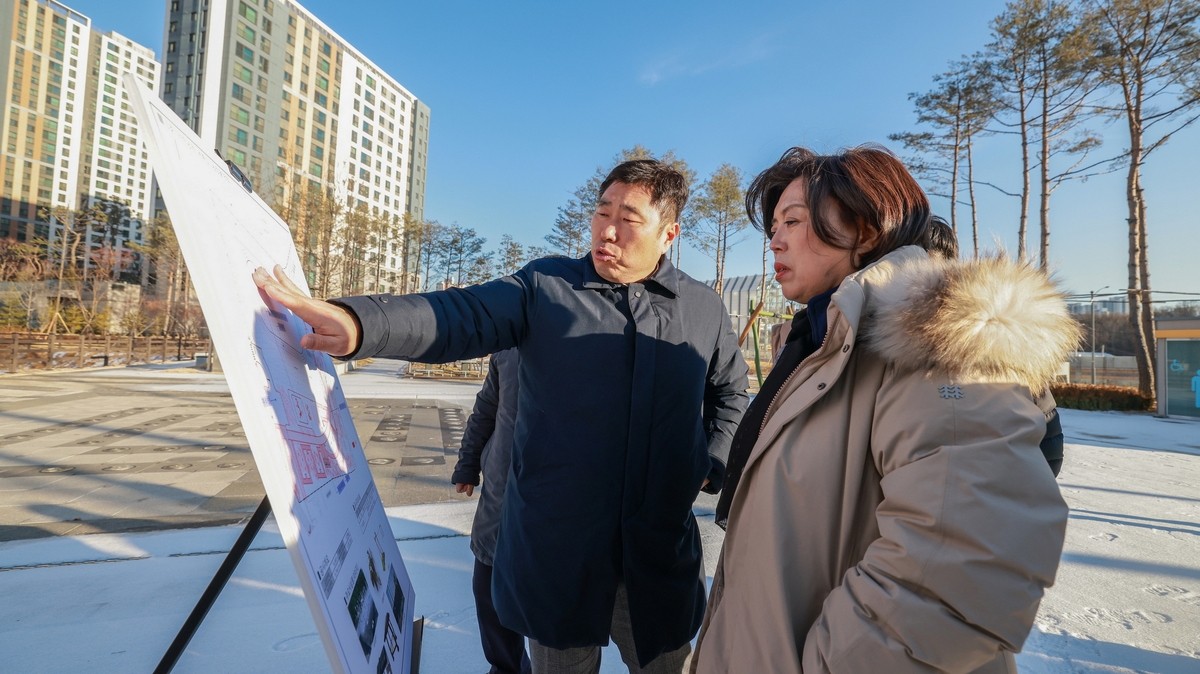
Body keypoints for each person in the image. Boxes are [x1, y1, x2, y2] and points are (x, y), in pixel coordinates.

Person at [254, 159, 749, 674]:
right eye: (601, 212)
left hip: (655, 555)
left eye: (629, 218)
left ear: (668, 232)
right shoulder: (546, 288)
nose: (607, 229)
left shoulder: (702, 307)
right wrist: (361, 323)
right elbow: (459, 314)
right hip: (558, 552)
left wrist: (706, 463)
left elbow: (732, 393)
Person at [689, 146, 1078, 674]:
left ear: (867, 231)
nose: (774, 239)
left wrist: (830, 664)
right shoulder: (820, 347)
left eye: (793, 221)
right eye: (773, 225)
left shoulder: (942, 346)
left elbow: (966, 567)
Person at [451, 348, 530, 674]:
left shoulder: (589, 333)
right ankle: (507, 669)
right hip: (499, 496)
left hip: (559, 504)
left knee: (553, 615)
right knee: (488, 594)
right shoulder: (510, 344)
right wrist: (468, 464)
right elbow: (486, 409)